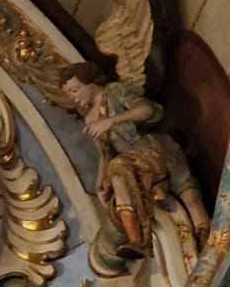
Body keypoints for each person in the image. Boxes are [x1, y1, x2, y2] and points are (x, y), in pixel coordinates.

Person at [62, 62, 210, 260]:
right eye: (69, 94)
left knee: (190, 198)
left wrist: (111, 121)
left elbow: (147, 109)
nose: (73, 98)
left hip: (153, 148)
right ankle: (138, 240)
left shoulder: (114, 91)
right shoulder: (90, 120)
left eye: (75, 90)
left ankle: (209, 242)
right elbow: (105, 154)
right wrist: (100, 182)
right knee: (116, 174)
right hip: (131, 163)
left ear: (90, 83)